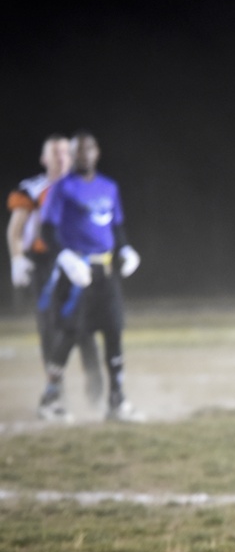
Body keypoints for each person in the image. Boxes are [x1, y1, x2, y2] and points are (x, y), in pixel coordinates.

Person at [36, 130, 143, 422]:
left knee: (114, 331)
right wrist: (66, 257)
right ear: (71, 156)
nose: (83, 156)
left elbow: (116, 226)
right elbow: (48, 229)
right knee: (69, 334)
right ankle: (49, 399)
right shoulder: (62, 188)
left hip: (105, 272)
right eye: (76, 151)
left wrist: (126, 249)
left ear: (97, 153)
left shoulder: (108, 187)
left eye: (88, 150)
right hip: (77, 274)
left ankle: (117, 401)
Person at [6, 134, 103, 406]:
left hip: (78, 261)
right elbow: (15, 230)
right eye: (54, 153)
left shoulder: (83, 186)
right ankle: (56, 395)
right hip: (46, 264)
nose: (61, 158)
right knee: (50, 327)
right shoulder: (32, 188)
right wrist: (17, 258)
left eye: (65, 153)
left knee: (86, 323)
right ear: (44, 158)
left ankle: (97, 388)